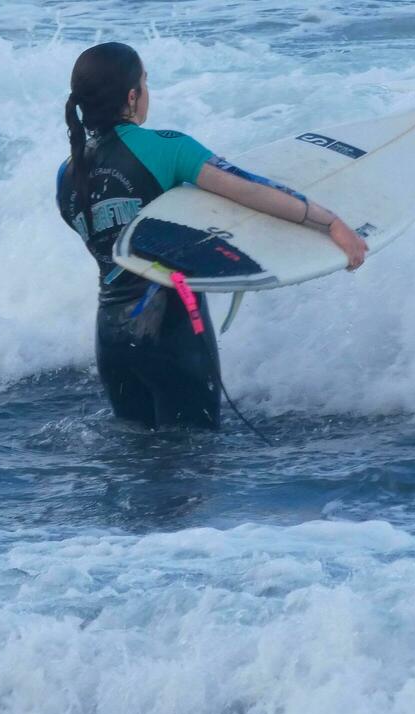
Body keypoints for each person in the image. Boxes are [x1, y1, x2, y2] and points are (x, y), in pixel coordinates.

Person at [57, 42, 367, 431]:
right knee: (193, 467)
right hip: (171, 333)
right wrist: (329, 222)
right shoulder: (166, 148)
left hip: (112, 338)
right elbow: (250, 189)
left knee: (135, 464)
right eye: (145, 83)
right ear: (132, 96)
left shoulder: (66, 175)